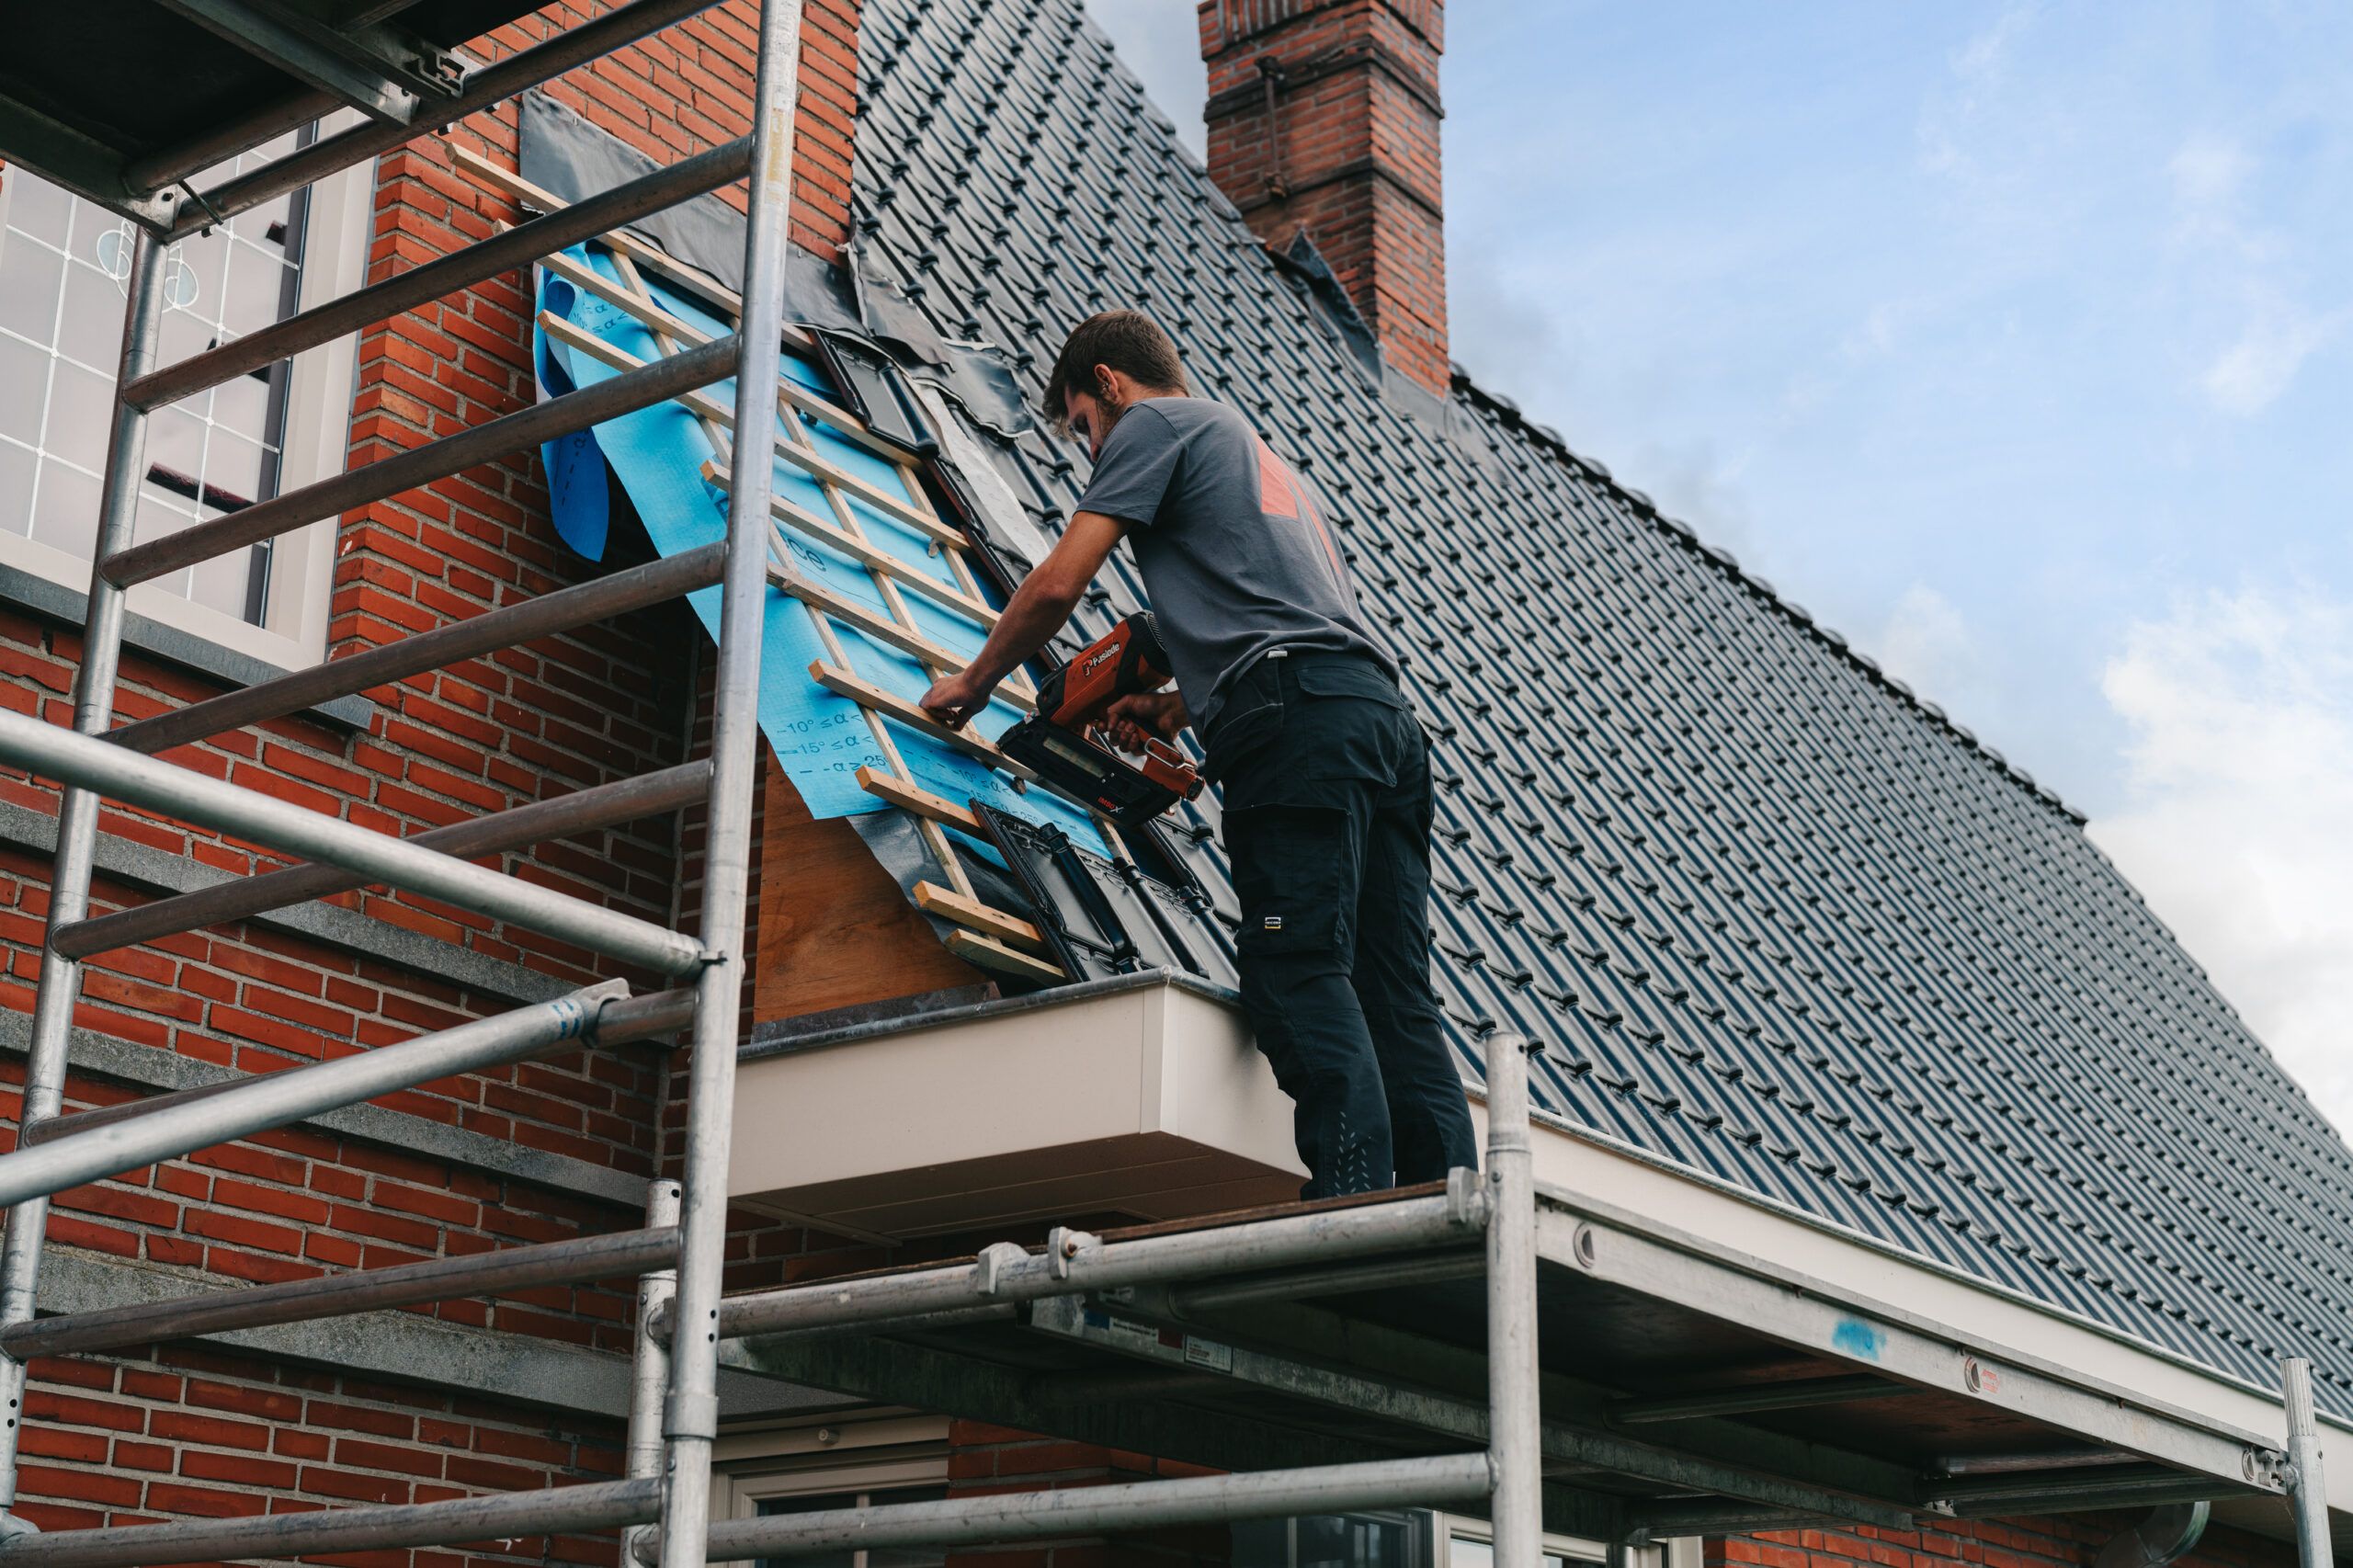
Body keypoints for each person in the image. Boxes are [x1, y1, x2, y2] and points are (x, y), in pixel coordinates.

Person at [920, 310, 1477, 1199]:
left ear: (1108, 383)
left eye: (1080, 428)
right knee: (1392, 985)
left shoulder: (1151, 424)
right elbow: (1271, 609)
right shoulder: (1252, 452)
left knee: (1296, 961)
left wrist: (977, 681)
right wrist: (1180, 703)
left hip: (1297, 722)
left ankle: (1353, 1198)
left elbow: (1061, 581)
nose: (1088, 449)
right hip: (1380, 722)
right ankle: (1449, 1201)